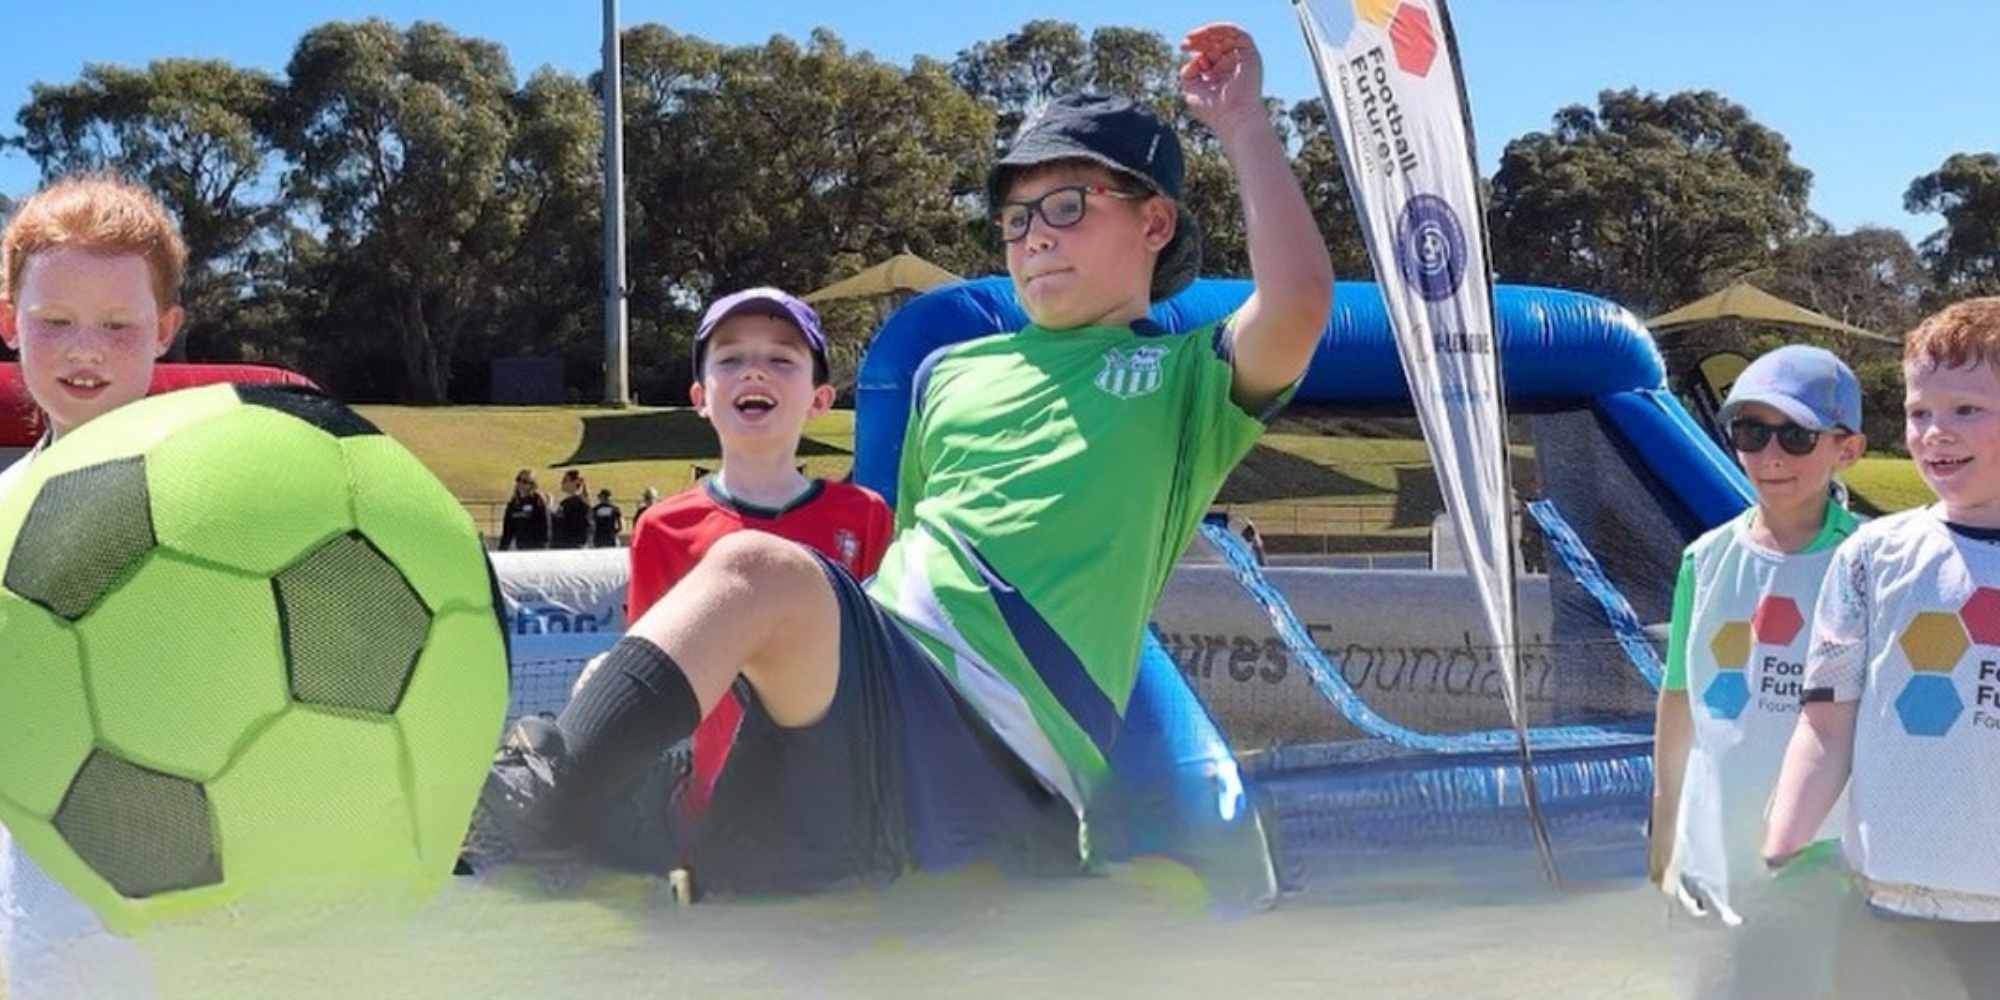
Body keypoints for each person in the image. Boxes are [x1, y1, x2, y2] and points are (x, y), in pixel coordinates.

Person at [467, 23, 1333, 896]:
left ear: (1154, 220)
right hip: (872, 707)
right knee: (713, 856)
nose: (1034, 236)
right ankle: (586, 836)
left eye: (1066, 205)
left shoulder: (1181, 379)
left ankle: (547, 803)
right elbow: (914, 552)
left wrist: (1244, 124)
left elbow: (1297, 303)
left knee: (756, 570)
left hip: (1006, 752)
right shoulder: (951, 370)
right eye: (1015, 218)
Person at [589, 288, 893, 873]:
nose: (755, 369)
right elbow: (651, 682)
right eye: (730, 358)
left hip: (843, 817)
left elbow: (882, 671)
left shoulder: (866, 515)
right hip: (714, 823)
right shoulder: (663, 528)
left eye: (782, 358)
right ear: (701, 397)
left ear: (820, 398)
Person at [1764, 298, 2000, 996]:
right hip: (1891, 895)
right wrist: (1781, 843)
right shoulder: (1874, 555)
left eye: (1966, 410)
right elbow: (1826, 718)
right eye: (1919, 411)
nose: (1934, 433)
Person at [0, 173, 188, 999]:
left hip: (201, 939)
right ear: (10, 324)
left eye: (118, 325)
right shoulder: (3, 512)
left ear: (166, 330)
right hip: (37, 935)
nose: (85, 350)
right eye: (55, 322)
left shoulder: (236, 508)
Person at [1645, 345, 1865, 999]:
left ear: (1846, 450)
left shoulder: (1872, 561)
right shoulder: (1705, 560)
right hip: (1713, 849)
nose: (1770, 456)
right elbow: (1679, 699)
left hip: (1821, 858)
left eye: (1796, 436)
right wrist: (1662, 834)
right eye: (1750, 431)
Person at [498, 468, 551, 550]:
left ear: (533, 485)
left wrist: (541, 551)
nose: (520, 484)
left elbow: (545, 531)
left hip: (536, 549)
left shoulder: (538, 502)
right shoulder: (513, 504)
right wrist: (501, 551)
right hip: (521, 548)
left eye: (525, 482)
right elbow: (507, 532)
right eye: (518, 480)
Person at [551, 468, 591, 549]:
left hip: (571, 545)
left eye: (565, 480)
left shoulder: (577, 503)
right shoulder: (568, 502)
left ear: (575, 482)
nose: (562, 483)